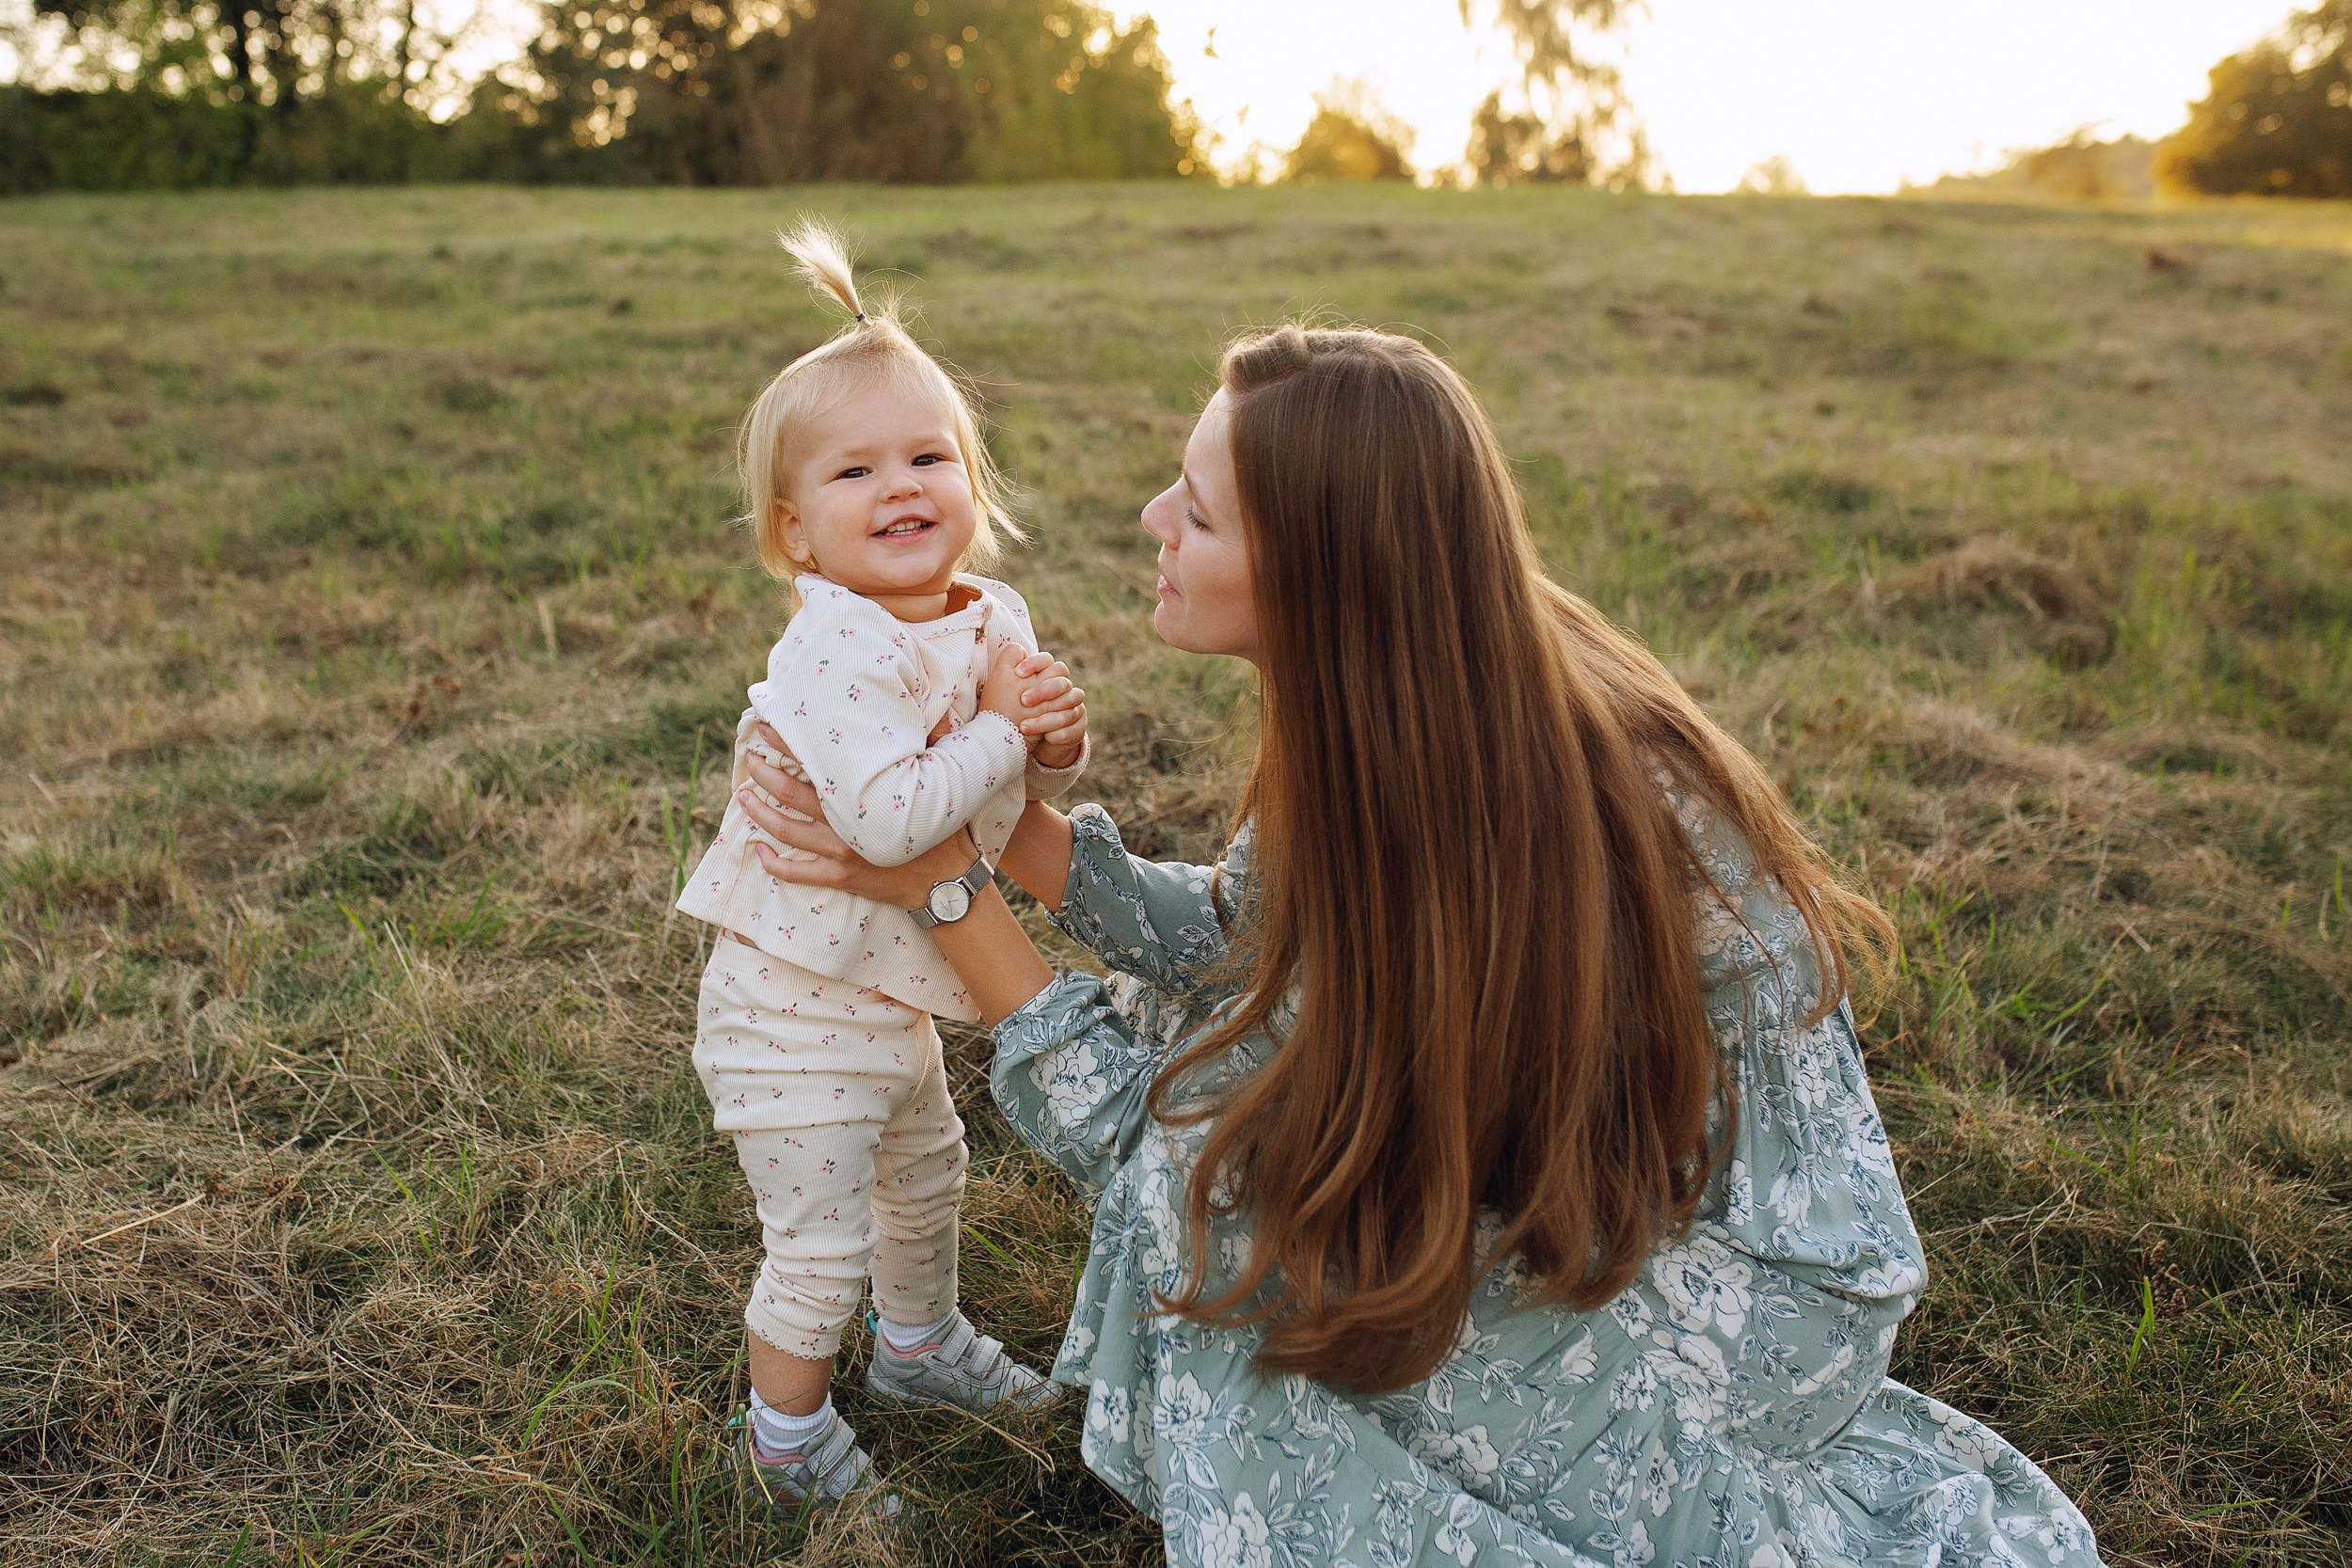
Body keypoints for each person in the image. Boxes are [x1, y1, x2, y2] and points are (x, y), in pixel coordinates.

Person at [730, 325, 2104, 1564]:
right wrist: (1013, 828)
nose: (1153, 519)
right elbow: (1244, 938)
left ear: (1324, 572)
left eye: (1197, 513)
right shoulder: (1416, 680)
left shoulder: (1466, 785)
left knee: (1251, 1281)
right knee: (1260, 1167)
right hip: (1595, 1178)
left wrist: (941, 890)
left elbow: (1212, 1176)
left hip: (1751, 1296)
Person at [675, 221, 1089, 1513]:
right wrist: (996, 733)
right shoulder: (835, 650)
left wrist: (1053, 738)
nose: (902, 486)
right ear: (796, 533)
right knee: (820, 1245)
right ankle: (784, 1443)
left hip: (885, 987)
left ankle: (917, 1350)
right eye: (857, 471)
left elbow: (1014, 782)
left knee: (929, 1173)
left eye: (929, 456)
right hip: (789, 1008)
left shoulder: (987, 612)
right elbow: (894, 819)